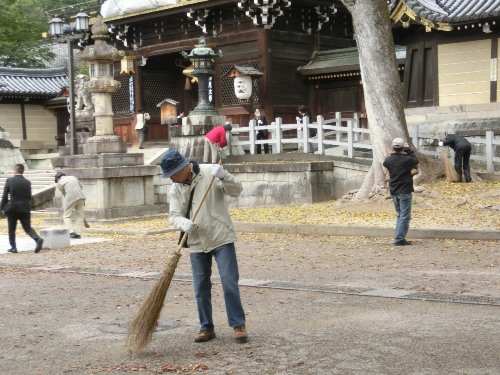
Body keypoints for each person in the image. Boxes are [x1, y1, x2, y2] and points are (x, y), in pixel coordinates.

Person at [160, 149, 248, 343]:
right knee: (201, 287)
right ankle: (206, 327)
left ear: (184, 167)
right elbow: (173, 216)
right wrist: (182, 223)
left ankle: (238, 324)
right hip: (197, 241)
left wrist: (225, 177)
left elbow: (237, 191)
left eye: (173, 174)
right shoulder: (175, 188)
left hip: (220, 236)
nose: (172, 179)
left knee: (229, 281)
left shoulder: (210, 173)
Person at [383, 138, 419, 246]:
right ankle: (399, 239)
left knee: (400, 214)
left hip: (394, 190)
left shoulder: (388, 160)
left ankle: (399, 237)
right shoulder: (407, 159)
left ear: (393, 147)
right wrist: (408, 150)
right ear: (403, 147)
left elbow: (386, 162)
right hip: (405, 191)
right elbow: (415, 160)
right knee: (405, 216)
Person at [1, 164, 43, 253]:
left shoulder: (10, 180)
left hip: (12, 208)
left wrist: (3, 207)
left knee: (11, 229)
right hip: (24, 208)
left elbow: (5, 195)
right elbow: (29, 196)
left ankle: (13, 247)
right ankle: (37, 239)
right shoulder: (27, 182)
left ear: (15, 171)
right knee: (27, 228)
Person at [54, 172, 86, 239]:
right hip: (81, 197)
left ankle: (71, 232)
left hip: (70, 198)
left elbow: (64, 193)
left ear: (58, 178)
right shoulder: (73, 177)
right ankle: (78, 233)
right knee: (80, 216)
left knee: (66, 216)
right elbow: (81, 187)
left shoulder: (60, 183)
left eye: (56, 180)